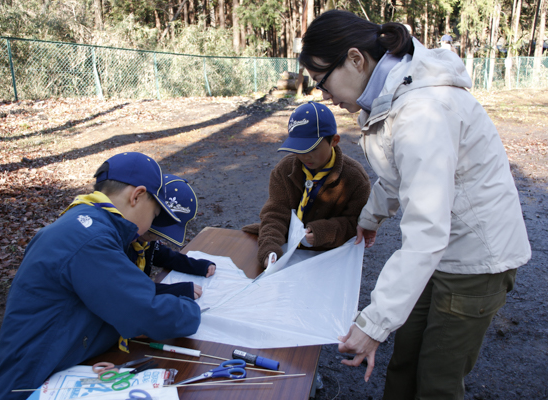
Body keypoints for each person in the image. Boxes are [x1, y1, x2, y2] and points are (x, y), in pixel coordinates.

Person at [299, 10, 531, 399]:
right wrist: (370, 216)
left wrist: (372, 324)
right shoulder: (389, 98)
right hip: (442, 252)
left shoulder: (421, 111)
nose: (325, 96)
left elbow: (426, 232)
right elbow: (398, 174)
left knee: (437, 382)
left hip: (475, 260)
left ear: (356, 60)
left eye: (323, 82)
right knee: (406, 362)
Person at [0, 152, 202, 399]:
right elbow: (146, 312)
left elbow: (117, 295)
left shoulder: (84, 222)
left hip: (59, 364)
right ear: (137, 196)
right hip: (32, 384)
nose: (153, 222)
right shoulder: (91, 239)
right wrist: (190, 309)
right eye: (154, 214)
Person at [242, 101, 370, 268]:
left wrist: (323, 232)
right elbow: (275, 213)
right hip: (288, 252)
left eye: (312, 148)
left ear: (334, 140)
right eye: (298, 148)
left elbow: (355, 223)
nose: (304, 156)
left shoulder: (355, 179)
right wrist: (270, 248)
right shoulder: (284, 170)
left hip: (329, 257)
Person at [132, 174, 216, 300]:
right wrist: (175, 291)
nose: (155, 237)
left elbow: (163, 255)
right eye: (155, 227)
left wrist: (198, 266)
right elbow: (126, 289)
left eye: (163, 233)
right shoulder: (119, 244)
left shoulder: (145, 240)